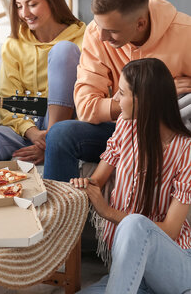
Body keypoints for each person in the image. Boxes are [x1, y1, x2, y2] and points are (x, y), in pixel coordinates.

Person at [44, 0, 191, 181]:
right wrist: (152, 98)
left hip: (168, 138)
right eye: (99, 26)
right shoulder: (97, 33)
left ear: (140, 24)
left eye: (112, 31)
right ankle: (64, 212)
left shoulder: (185, 33)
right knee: (60, 135)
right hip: (120, 132)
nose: (102, 37)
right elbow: (86, 107)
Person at [70, 58, 191, 293]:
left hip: (174, 268)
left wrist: (106, 212)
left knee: (135, 223)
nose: (114, 99)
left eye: (122, 92)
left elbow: (171, 230)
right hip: (133, 271)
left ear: (144, 101)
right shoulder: (126, 126)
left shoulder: (186, 149)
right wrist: (84, 185)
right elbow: (98, 180)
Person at [0, 0, 85, 164]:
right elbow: (8, 100)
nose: (25, 14)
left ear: (52, 0)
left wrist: (51, 141)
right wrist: (32, 133)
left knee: (64, 50)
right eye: (20, 6)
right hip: (26, 128)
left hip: (65, 127)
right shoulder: (14, 44)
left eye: (33, 4)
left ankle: (55, 142)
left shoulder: (85, 38)